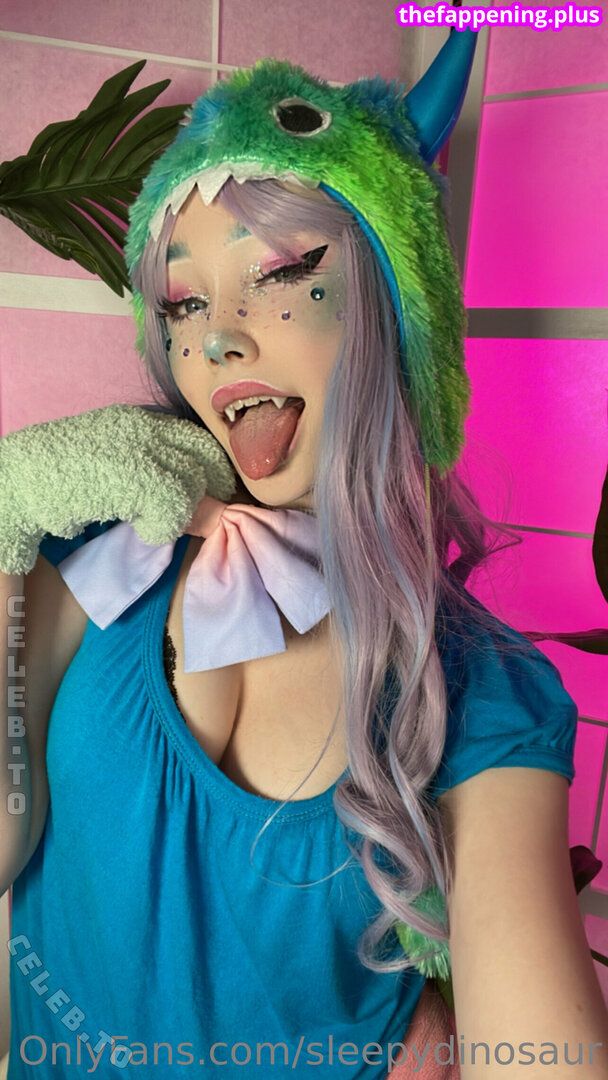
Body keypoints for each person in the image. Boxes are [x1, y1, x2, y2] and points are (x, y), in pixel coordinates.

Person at [1, 43, 607, 1080]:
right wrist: (6, 527)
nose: (215, 343)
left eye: (280, 275)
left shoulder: (483, 692)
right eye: (183, 304)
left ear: (392, 306)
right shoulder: (92, 556)